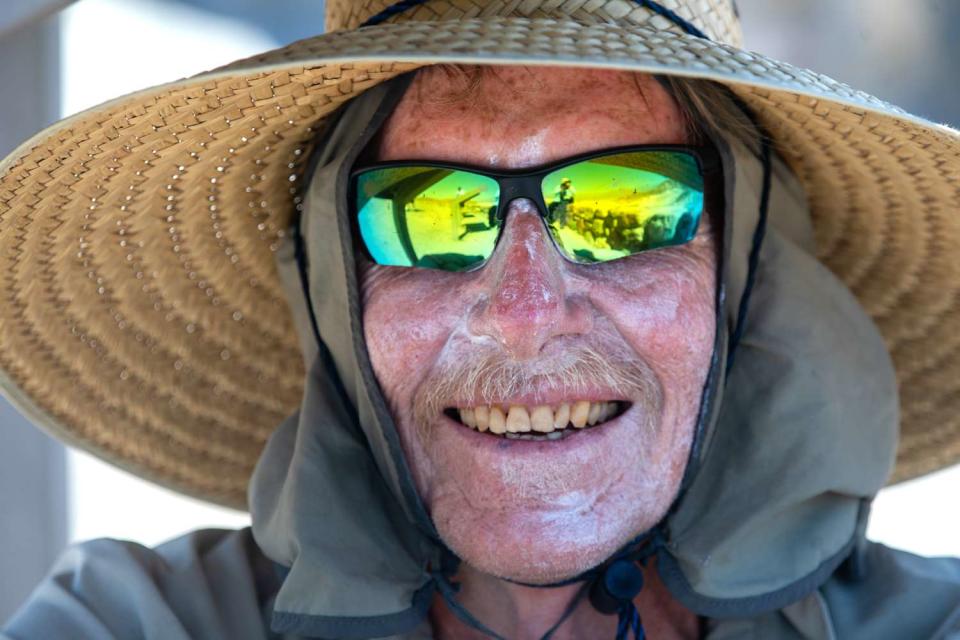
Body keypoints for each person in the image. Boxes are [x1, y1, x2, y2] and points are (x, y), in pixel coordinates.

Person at [1, 1, 959, 639]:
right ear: (339, 291)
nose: (525, 316)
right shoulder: (138, 623)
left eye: (623, 207)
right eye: (426, 211)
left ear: (743, 271)